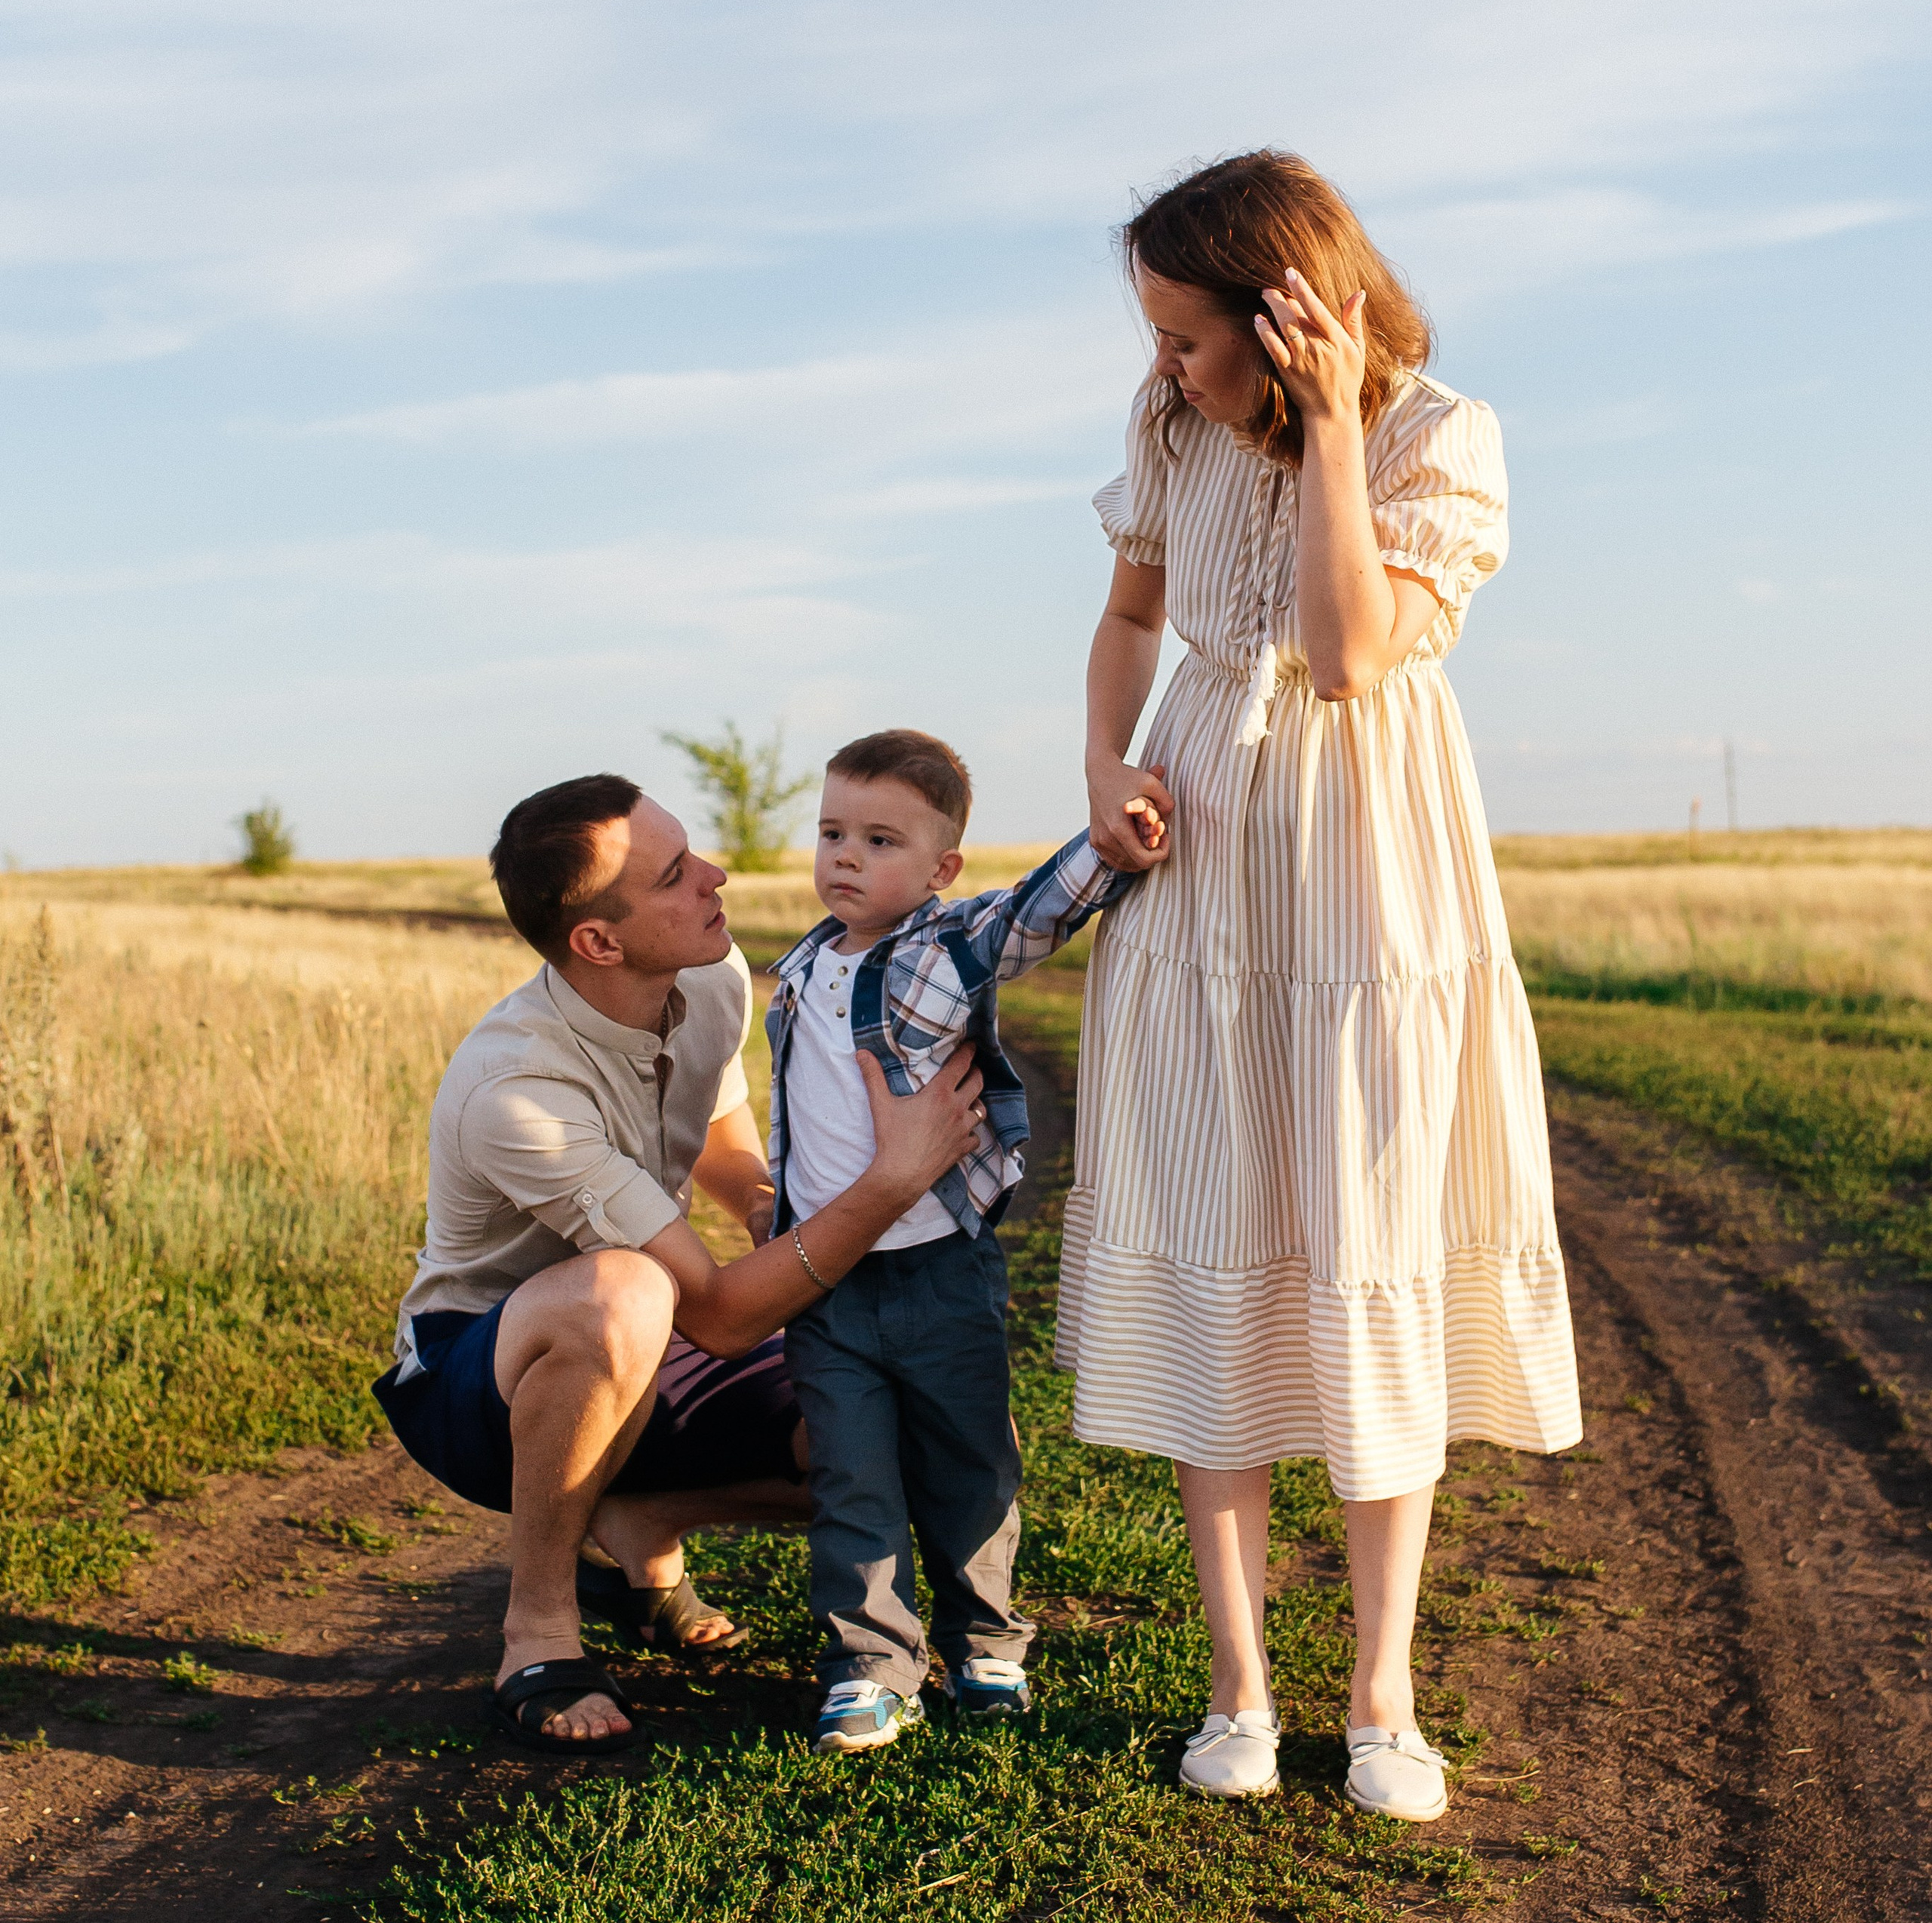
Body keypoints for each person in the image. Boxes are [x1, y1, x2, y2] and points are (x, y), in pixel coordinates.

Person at [1057, 151, 1583, 1820]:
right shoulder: (1172, 423)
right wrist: (1102, 762)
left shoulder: (1440, 437)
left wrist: (1338, 433)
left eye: (1186, 333)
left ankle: (1380, 1698)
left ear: (1287, 319)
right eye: (1153, 334)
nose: (1163, 364)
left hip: (1370, 868)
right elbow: (1130, 610)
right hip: (1203, 848)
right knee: (1217, 1217)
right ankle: (1239, 1687)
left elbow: (1352, 654)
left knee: (1370, 1235)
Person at [373, 771, 986, 1754]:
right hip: (483, 1372)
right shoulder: (516, 1090)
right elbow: (722, 1317)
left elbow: (713, 1119)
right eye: (675, 874)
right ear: (599, 942)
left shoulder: (709, 973)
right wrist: (893, 1180)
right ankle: (538, 1630)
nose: (716, 874)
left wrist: (760, 1202)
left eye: (691, 851)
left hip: (654, 1338)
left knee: (912, 1418)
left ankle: (638, 1513)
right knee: (622, 1291)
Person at [767, 728, 1132, 1753]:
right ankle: (871, 1665)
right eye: (833, 832)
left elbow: (1032, 913)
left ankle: (986, 1642)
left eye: (881, 841)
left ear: (940, 869)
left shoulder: (938, 948)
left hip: (941, 1272)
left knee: (971, 1464)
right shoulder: (801, 968)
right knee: (852, 1477)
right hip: (829, 1283)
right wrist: (778, 1209)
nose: (846, 856)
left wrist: (1110, 839)